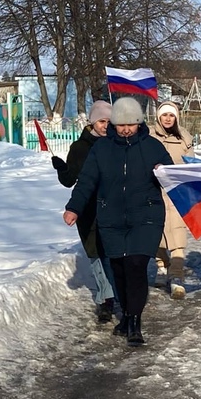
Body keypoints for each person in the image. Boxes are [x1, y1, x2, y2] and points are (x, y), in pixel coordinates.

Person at [64, 96, 173, 347]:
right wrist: (74, 208)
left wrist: (163, 171)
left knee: (135, 266)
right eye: (120, 125)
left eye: (130, 125)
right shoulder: (101, 149)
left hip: (146, 216)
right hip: (111, 218)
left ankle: (134, 321)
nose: (125, 130)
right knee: (119, 269)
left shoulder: (153, 147)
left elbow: (172, 176)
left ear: (139, 123)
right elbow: (87, 181)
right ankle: (126, 314)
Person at [51, 99, 117, 323]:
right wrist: (62, 169)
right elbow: (70, 180)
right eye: (101, 121)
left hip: (113, 206)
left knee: (112, 253)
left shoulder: (117, 144)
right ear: (92, 122)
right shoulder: (80, 148)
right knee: (95, 253)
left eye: (109, 121)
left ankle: (115, 292)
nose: (105, 126)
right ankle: (105, 299)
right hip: (88, 208)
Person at [150, 100, 194, 299]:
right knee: (156, 234)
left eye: (171, 115)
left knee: (177, 233)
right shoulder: (148, 136)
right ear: (158, 117)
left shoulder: (184, 137)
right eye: (164, 115)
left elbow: (191, 164)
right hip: (153, 191)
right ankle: (162, 266)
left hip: (176, 192)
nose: (168, 119)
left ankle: (176, 276)